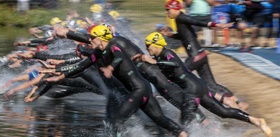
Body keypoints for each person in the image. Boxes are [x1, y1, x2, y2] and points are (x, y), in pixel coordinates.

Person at [40, 25, 187, 137]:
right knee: (159, 119)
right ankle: (184, 134)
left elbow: (118, 57)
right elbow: (80, 66)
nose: (89, 40)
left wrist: (110, 67)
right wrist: (60, 76)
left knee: (114, 122)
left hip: (139, 90)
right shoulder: (98, 53)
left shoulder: (114, 45)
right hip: (142, 90)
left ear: (102, 38)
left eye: (92, 37)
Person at [142, 32, 272, 137]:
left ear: (156, 45)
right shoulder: (160, 57)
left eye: (148, 46)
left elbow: (175, 64)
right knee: (223, 112)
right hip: (198, 86)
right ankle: (256, 121)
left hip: (192, 89)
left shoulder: (167, 54)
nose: (147, 49)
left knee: (184, 123)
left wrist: (154, 63)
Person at [165, 0, 249, 111]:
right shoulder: (180, 19)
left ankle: (175, 99)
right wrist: (171, 35)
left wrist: (215, 24)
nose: (167, 12)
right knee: (211, 84)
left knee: (177, 75)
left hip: (195, 56)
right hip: (201, 55)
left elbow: (195, 21)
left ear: (175, 9)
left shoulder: (180, 17)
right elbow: (186, 36)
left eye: (168, 9)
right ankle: (239, 102)